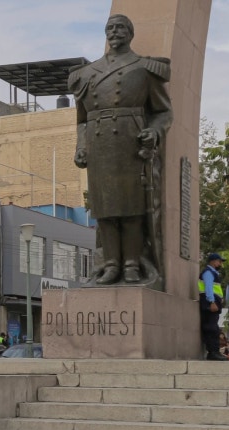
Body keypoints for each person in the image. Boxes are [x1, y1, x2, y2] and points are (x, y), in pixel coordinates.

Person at [71, 14, 173, 285]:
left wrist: (154, 131)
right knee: (105, 210)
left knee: (131, 209)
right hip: (99, 144)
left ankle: (131, 264)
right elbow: (81, 119)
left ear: (130, 33)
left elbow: (163, 112)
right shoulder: (87, 74)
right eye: (110, 28)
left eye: (120, 28)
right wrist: (81, 146)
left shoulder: (144, 68)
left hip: (129, 143)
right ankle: (111, 263)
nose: (114, 32)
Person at [198, 253, 225, 360]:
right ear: (213, 261)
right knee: (211, 328)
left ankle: (215, 351)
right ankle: (212, 352)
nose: (220, 263)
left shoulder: (213, 273)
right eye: (219, 261)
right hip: (210, 304)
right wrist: (212, 302)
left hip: (214, 303)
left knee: (214, 328)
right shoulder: (208, 273)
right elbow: (208, 288)